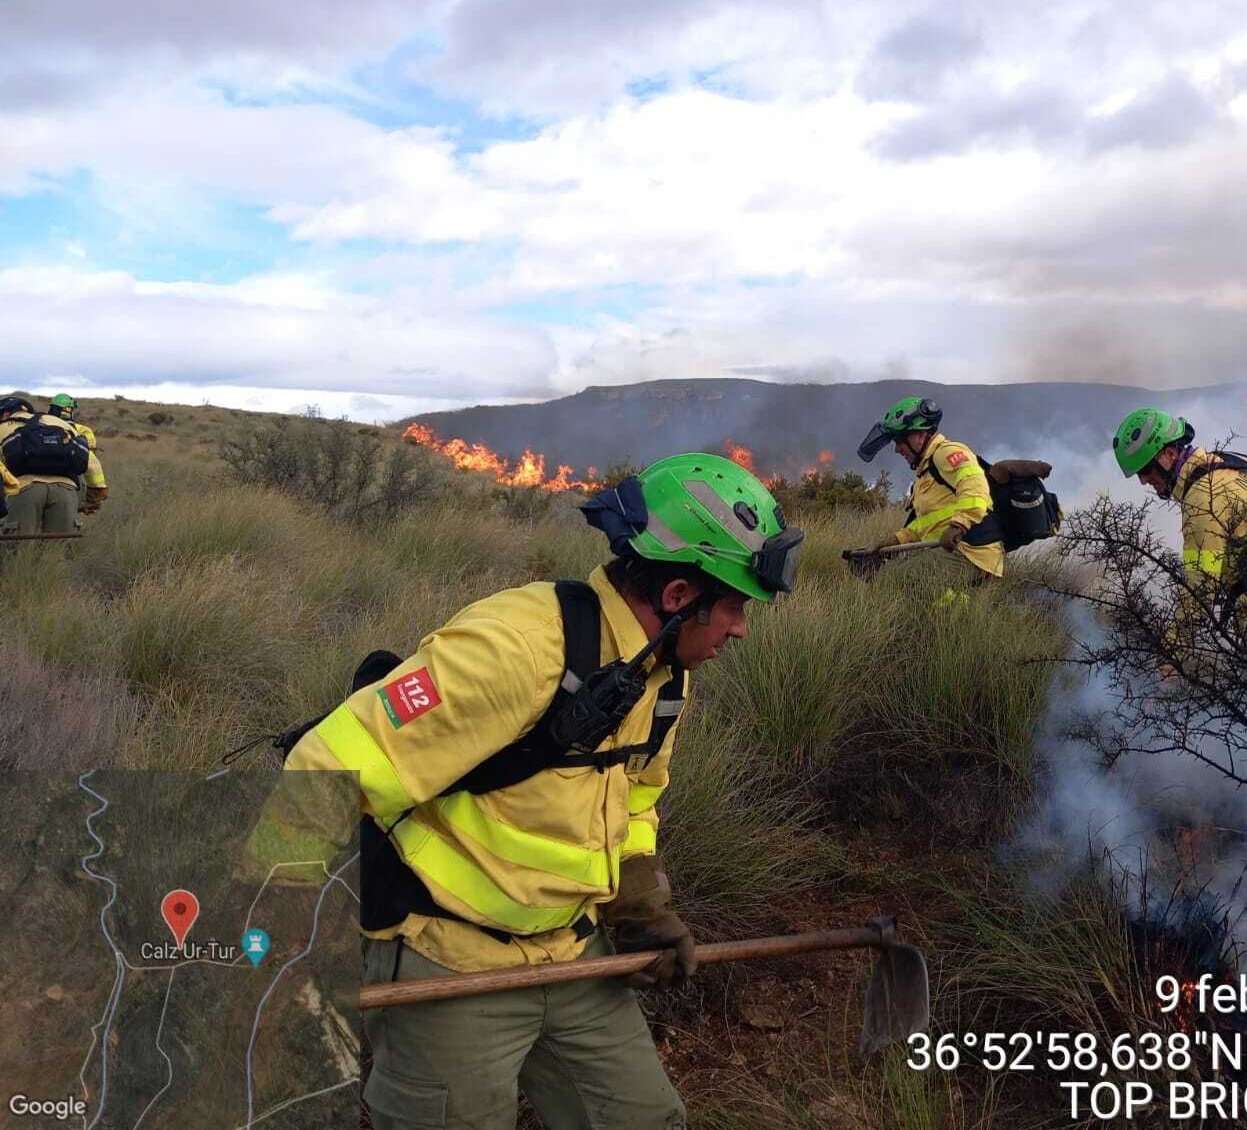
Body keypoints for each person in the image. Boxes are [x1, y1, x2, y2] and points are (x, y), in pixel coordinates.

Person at [260, 452, 803, 1130]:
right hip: (451, 962)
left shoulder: (665, 678)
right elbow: (323, 768)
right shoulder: (516, 647)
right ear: (676, 598)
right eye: (731, 607)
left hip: (574, 954)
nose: (741, 629)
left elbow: (637, 793)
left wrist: (638, 897)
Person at [1111, 407, 1247, 861]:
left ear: (1168, 455)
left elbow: (1200, 586)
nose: (1147, 485)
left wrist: (1171, 650)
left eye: (1147, 472)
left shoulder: (1204, 498)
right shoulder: (1228, 468)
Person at [856, 397, 1003, 583]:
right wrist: (896, 541)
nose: (897, 449)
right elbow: (928, 522)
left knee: (896, 582)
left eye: (900, 440)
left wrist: (958, 525)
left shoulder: (947, 453)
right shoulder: (925, 471)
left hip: (972, 552)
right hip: (954, 551)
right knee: (937, 606)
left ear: (920, 434)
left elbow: (976, 488)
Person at [0, 396, 102, 535]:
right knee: (60, 545)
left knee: (18, 545)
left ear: (5, 413)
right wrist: (96, 494)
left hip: (23, 490)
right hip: (66, 490)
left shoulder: (4, 427)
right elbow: (91, 462)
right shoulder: (58, 423)